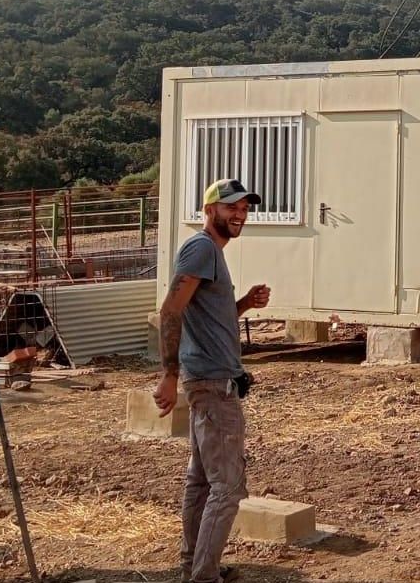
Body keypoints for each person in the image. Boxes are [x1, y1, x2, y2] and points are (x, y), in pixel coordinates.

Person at [153, 178, 272, 583]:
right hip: (212, 383)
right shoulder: (202, 248)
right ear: (210, 211)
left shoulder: (211, 254)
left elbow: (205, 318)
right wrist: (168, 375)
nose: (239, 214)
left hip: (211, 379)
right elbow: (171, 312)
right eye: (231, 207)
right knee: (228, 488)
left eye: (244, 208)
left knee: (202, 482)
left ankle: (195, 567)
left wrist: (243, 304)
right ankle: (203, 577)